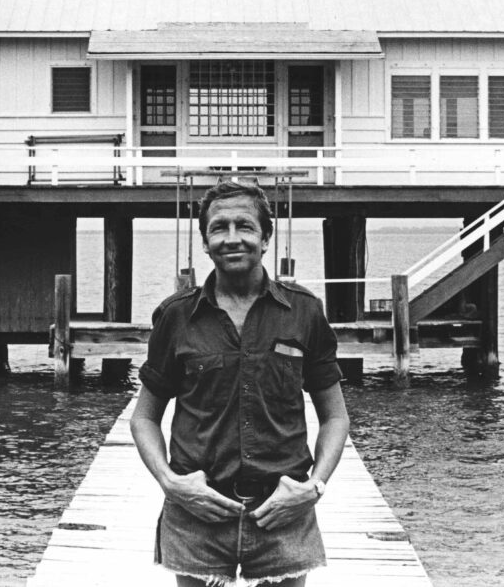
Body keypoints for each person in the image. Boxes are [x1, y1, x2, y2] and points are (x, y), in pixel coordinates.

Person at [130, 180, 350, 587]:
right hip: (199, 509)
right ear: (205, 241)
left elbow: (335, 416)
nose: (232, 238)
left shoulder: (304, 312)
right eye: (219, 228)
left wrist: (313, 488)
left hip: (282, 509)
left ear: (266, 237)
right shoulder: (176, 317)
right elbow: (144, 417)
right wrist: (170, 483)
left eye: (245, 226)